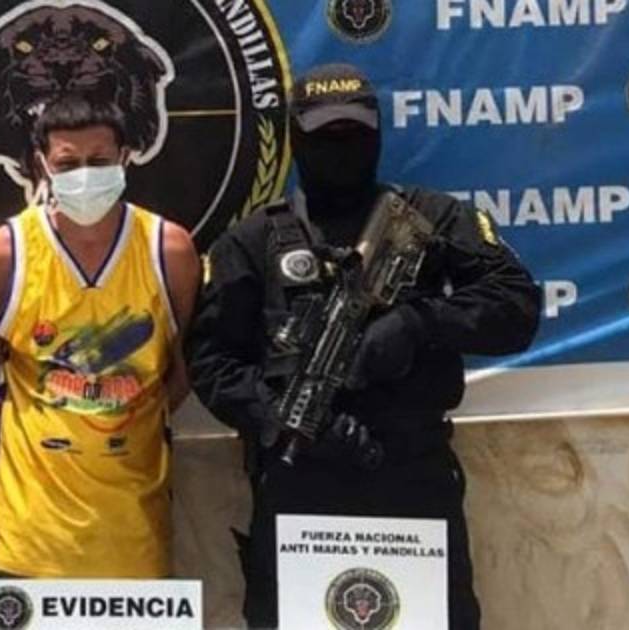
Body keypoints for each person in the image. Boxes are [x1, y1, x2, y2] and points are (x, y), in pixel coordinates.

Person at [186, 63, 541, 629]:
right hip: (302, 486)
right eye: (325, 136)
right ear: (295, 138)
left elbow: (515, 307)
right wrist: (282, 418)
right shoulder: (252, 242)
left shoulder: (431, 217)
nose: (341, 148)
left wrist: (420, 322)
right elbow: (211, 363)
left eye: (354, 134)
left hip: (412, 479)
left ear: (377, 133)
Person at [0, 94, 201, 578]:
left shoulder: (169, 250)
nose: (85, 175)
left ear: (125, 158)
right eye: (68, 163)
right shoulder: (6, 252)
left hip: (135, 531)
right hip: (27, 536)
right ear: (42, 164)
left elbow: (183, 371)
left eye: (99, 161)